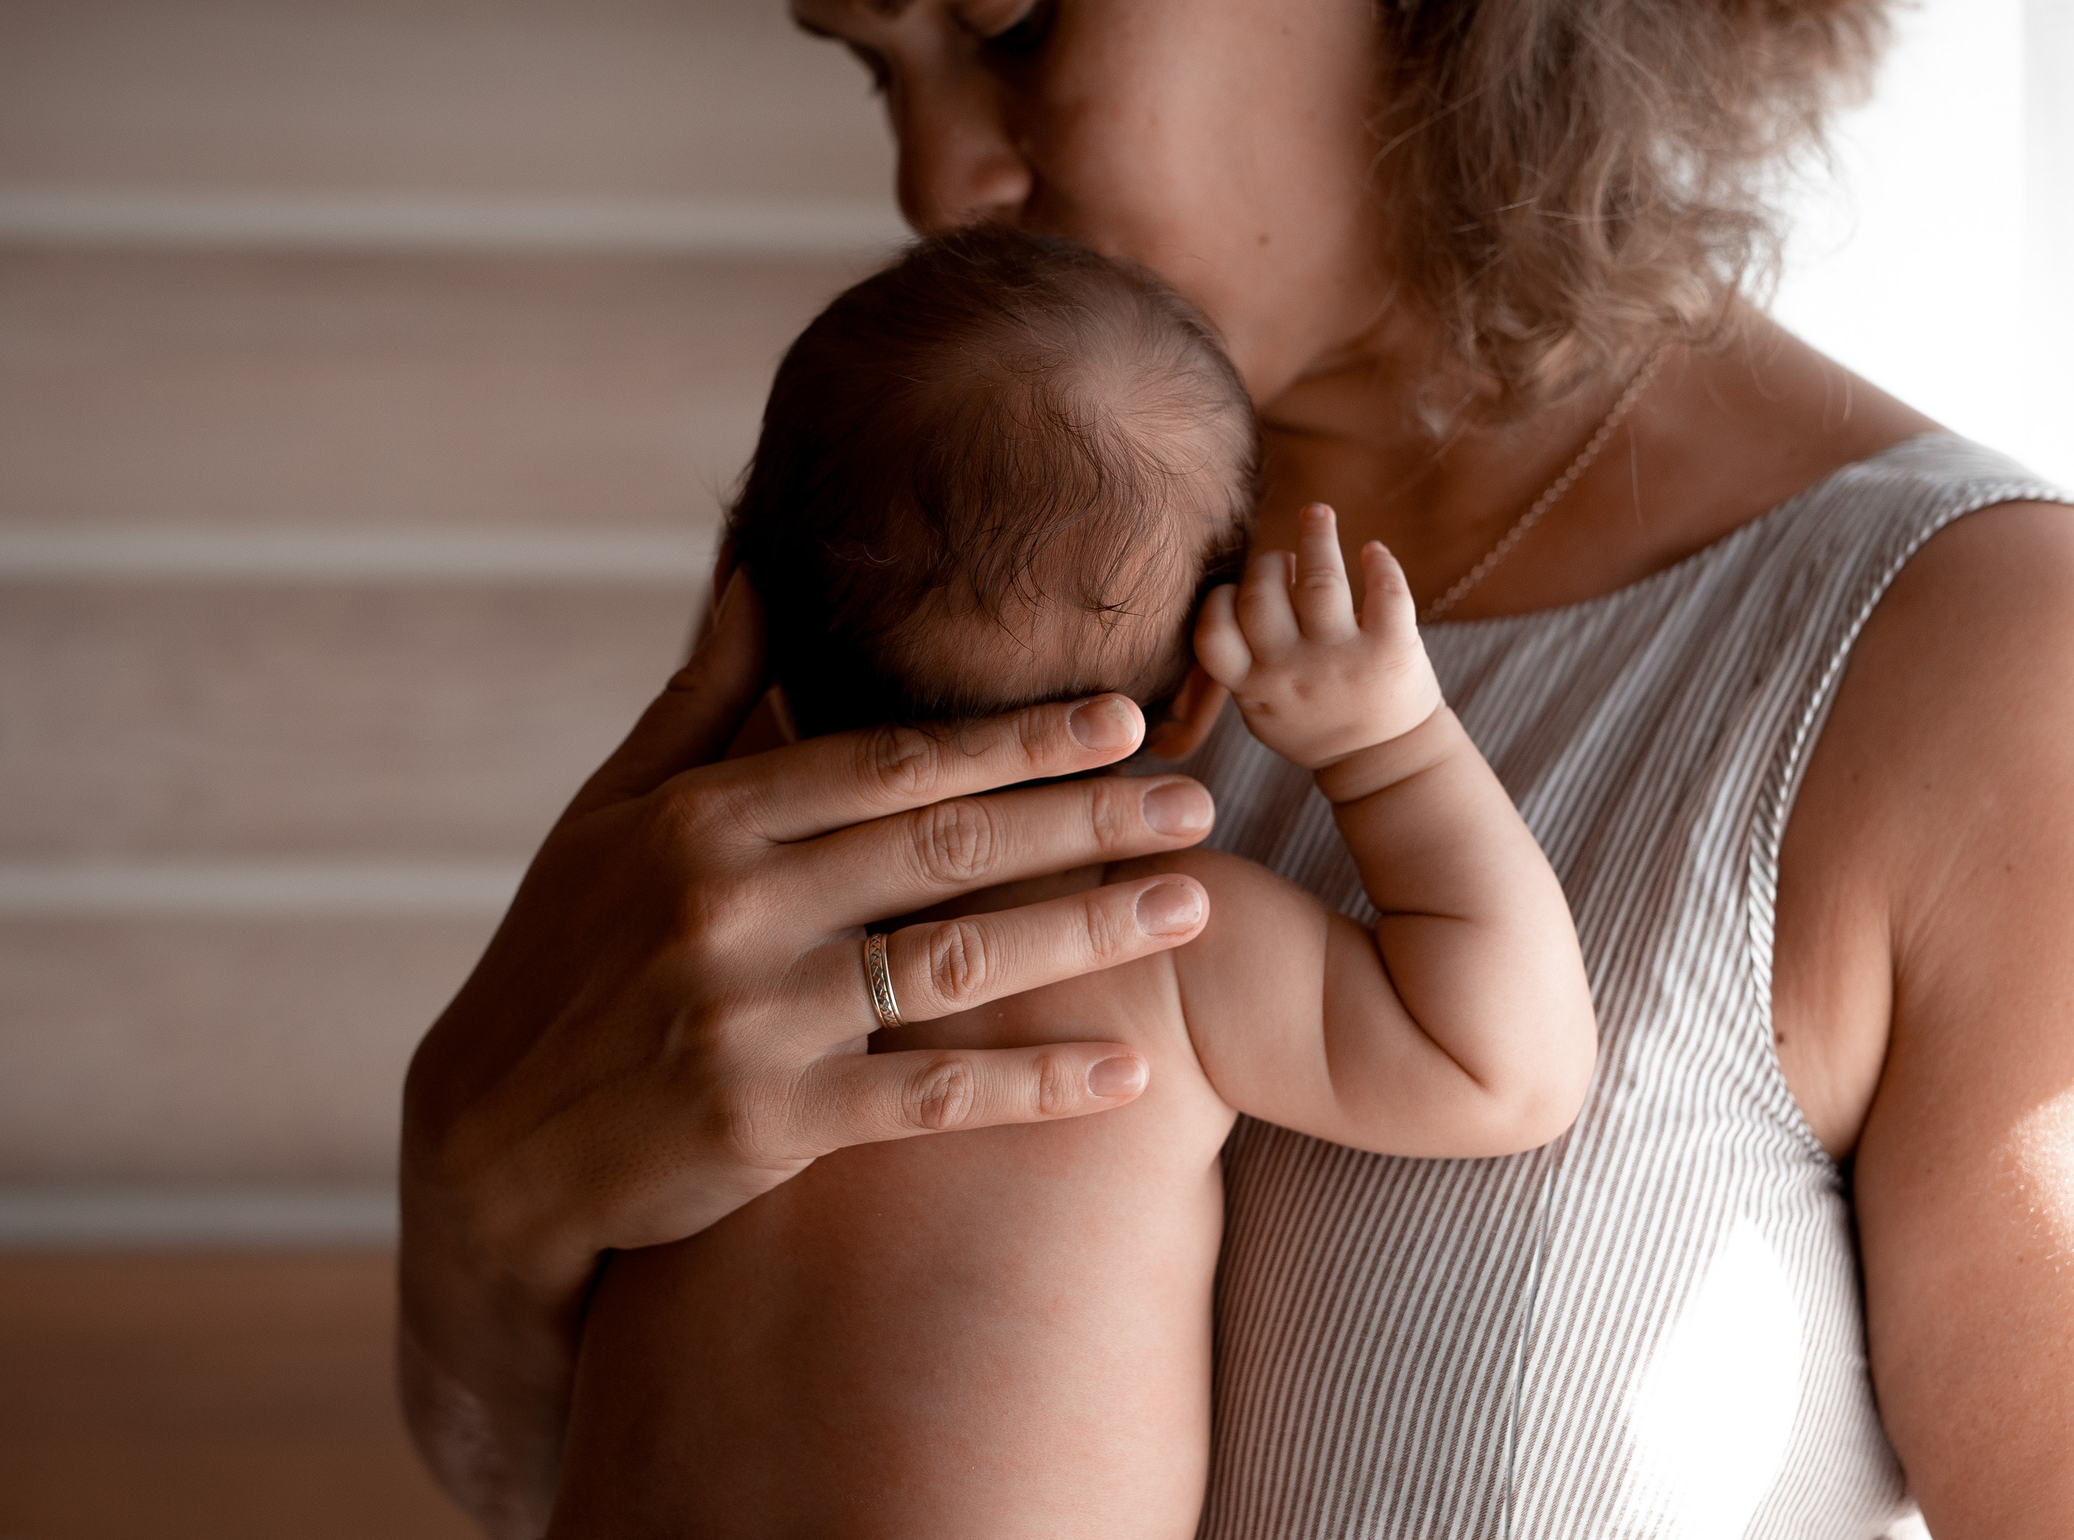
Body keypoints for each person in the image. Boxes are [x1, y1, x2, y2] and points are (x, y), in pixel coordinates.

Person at [398, 0, 2074, 1533]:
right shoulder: (982, 578)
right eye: (873, 72)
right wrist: (478, 1209)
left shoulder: (1971, 644)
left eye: (1009, 22)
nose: (930, 187)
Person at [545, 226, 1597, 1534]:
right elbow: (1507, 1067)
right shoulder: (1158, 949)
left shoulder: (689, 959)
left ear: (735, 606)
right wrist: (1387, 751)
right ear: (1204, 685)